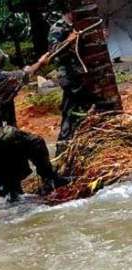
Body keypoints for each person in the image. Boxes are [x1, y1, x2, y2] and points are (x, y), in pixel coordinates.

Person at [0, 44, 69, 202]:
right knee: (37, 143)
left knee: (9, 189)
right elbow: (23, 75)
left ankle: (13, 204)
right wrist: (41, 62)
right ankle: (52, 181)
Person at [48, 1, 96, 155]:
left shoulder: (78, 25)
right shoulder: (59, 27)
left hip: (81, 76)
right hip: (69, 77)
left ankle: (77, 148)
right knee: (71, 113)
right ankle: (63, 151)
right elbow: (53, 51)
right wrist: (69, 40)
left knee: (79, 111)